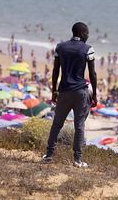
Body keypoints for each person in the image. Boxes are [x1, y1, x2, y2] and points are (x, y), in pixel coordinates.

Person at [43, 22, 97, 168]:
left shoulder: (60, 47)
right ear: (81, 33)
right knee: (79, 126)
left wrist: (54, 91)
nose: (88, 35)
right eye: (87, 33)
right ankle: (77, 160)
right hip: (80, 92)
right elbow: (92, 73)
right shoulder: (88, 49)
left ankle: (49, 155)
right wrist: (95, 95)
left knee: (57, 124)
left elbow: (55, 71)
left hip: (64, 91)